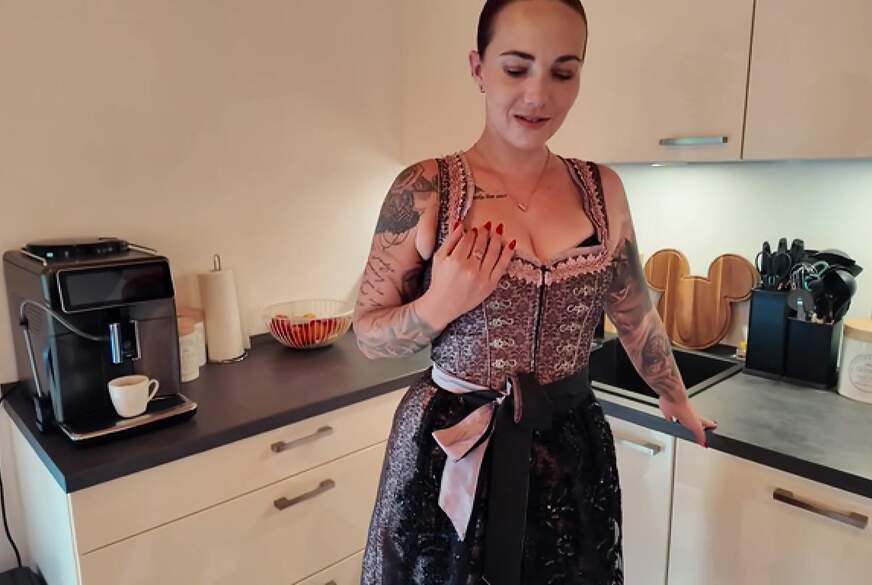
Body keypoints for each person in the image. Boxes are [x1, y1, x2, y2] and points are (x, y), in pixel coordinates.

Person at [352, 1, 717, 583]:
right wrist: (438, 305)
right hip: (451, 449)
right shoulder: (425, 189)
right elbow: (369, 334)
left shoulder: (604, 189)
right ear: (478, 68)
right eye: (516, 68)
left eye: (563, 72)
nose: (538, 95)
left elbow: (633, 310)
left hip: (568, 452)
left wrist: (674, 395)